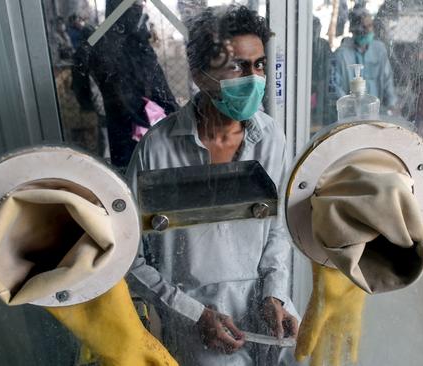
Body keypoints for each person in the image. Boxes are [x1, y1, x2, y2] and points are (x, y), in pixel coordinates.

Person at [125, 6, 299, 365]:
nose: (254, 78)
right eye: (237, 66)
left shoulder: (270, 139)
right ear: (199, 75)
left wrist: (275, 297)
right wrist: (192, 314)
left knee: (304, 355)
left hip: (261, 304)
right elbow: (130, 258)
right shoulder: (157, 151)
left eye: (260, 65)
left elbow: (278, 232)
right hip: (194, 312)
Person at [76, 0, 178, 168]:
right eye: (137, 4)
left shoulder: (101, 42)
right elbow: (160, 92)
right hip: (141, 131)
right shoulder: (135, 44)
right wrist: (178, 115)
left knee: (125, 169)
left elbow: (82, 79)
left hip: (120, 127)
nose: (142, 7)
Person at [334, 6, 398, 113]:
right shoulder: (342, 54)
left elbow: (387, 80)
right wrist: (348, 109)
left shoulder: (379, 49)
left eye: (370, 26)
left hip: (376, 111)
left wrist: (392, 104)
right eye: (363, 27)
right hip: (351, 114)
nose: (367, 30)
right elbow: (336, 87)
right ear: (353, 29)